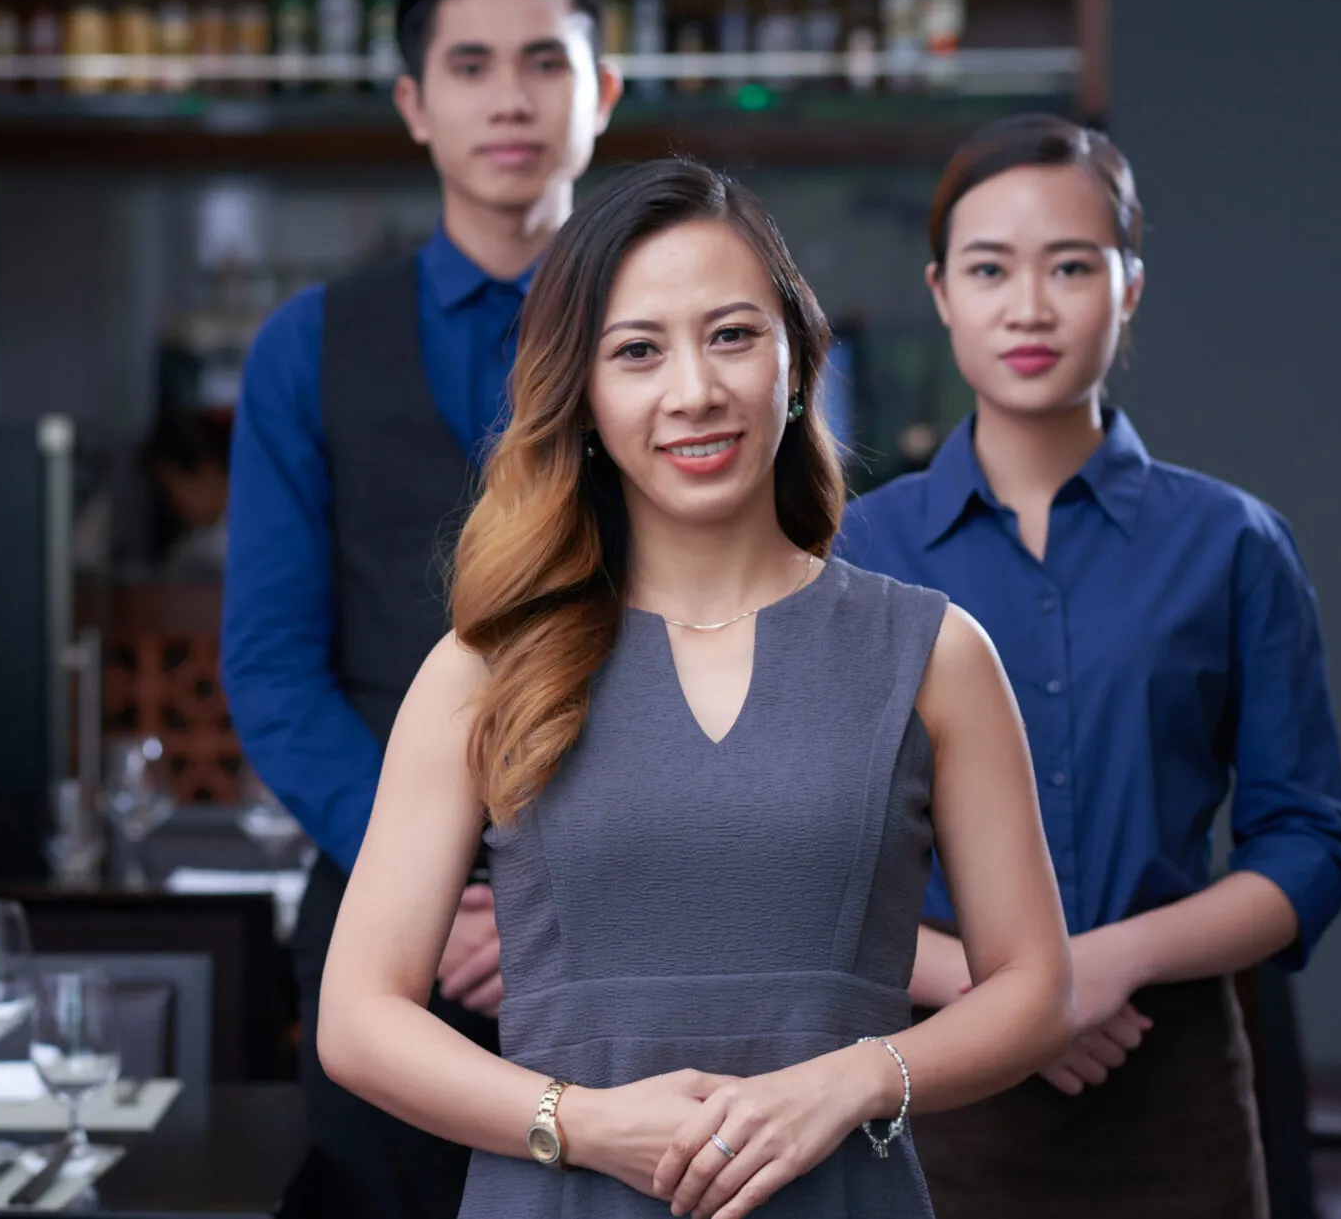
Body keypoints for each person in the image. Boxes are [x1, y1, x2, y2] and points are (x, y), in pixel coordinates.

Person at [316, 157, 1076, 1219]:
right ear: (580, 394)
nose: (694, 391)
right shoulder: (481, 671)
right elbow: (356, 1018)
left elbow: (1038, 990)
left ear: (797, 360)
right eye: (637, 352)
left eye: (731, 335)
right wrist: (578, 1121)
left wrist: (856, 1080)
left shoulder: (937, 653)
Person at [837, 114, 1341, 1218]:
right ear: (941, 293)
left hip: (1164, 1075)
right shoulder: (852, 554)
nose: (1029, 306)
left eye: (1071, 266)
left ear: (1127, 288)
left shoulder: (1232, 544)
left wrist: (1098, 965)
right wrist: (1000, 992)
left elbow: (1308, 845)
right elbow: (796, 857)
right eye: (990, 269)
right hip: (926, 1075)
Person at [219, 0, 622, 1216]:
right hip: (389, 937)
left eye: (545, 62)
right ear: (413, 105)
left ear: (603, 92)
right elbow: (273, 668)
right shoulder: (310, 347)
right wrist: (435, 887)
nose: (510, 100)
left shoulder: (675, 333)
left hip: (642, 908)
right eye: (471, 66)